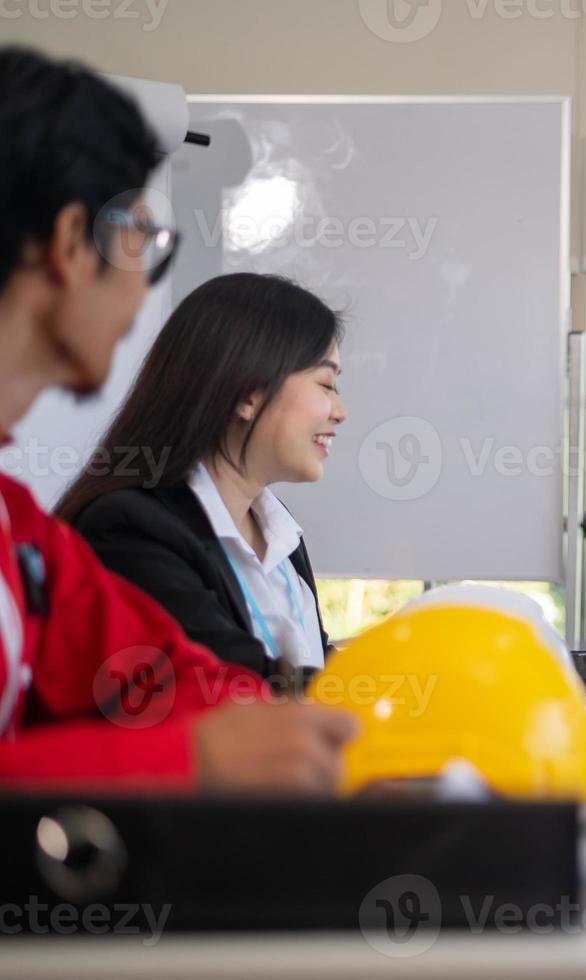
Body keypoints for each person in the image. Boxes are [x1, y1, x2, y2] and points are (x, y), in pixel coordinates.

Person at [0, 45, 354, 790]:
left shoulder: (22, 532)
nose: (145, 293)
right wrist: (193, 756)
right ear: (70, 246)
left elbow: (182, 675)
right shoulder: (117, 525)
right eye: (147, 240)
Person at [57, 274, 346, 687]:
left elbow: (308, 664)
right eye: (327, 384)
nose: (340, 412)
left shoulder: (278, 530)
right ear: (250, 394)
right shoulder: (130, 531)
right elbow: (234, 689)